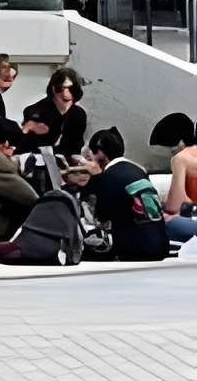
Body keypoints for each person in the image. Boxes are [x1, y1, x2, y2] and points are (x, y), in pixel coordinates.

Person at [86, 126, 170, 262]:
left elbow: (101, 216)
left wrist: (94, 179)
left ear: (100, 153)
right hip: (160, 244)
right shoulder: (138, 170)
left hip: (135, 249)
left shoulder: (109, 176)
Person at [21, 67, 88, 158]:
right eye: (62, 88)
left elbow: (75, 146)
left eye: (72, 89)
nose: (66, 93)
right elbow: (29, 148)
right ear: (53, 88)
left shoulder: (78, 114)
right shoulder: (34, 112)